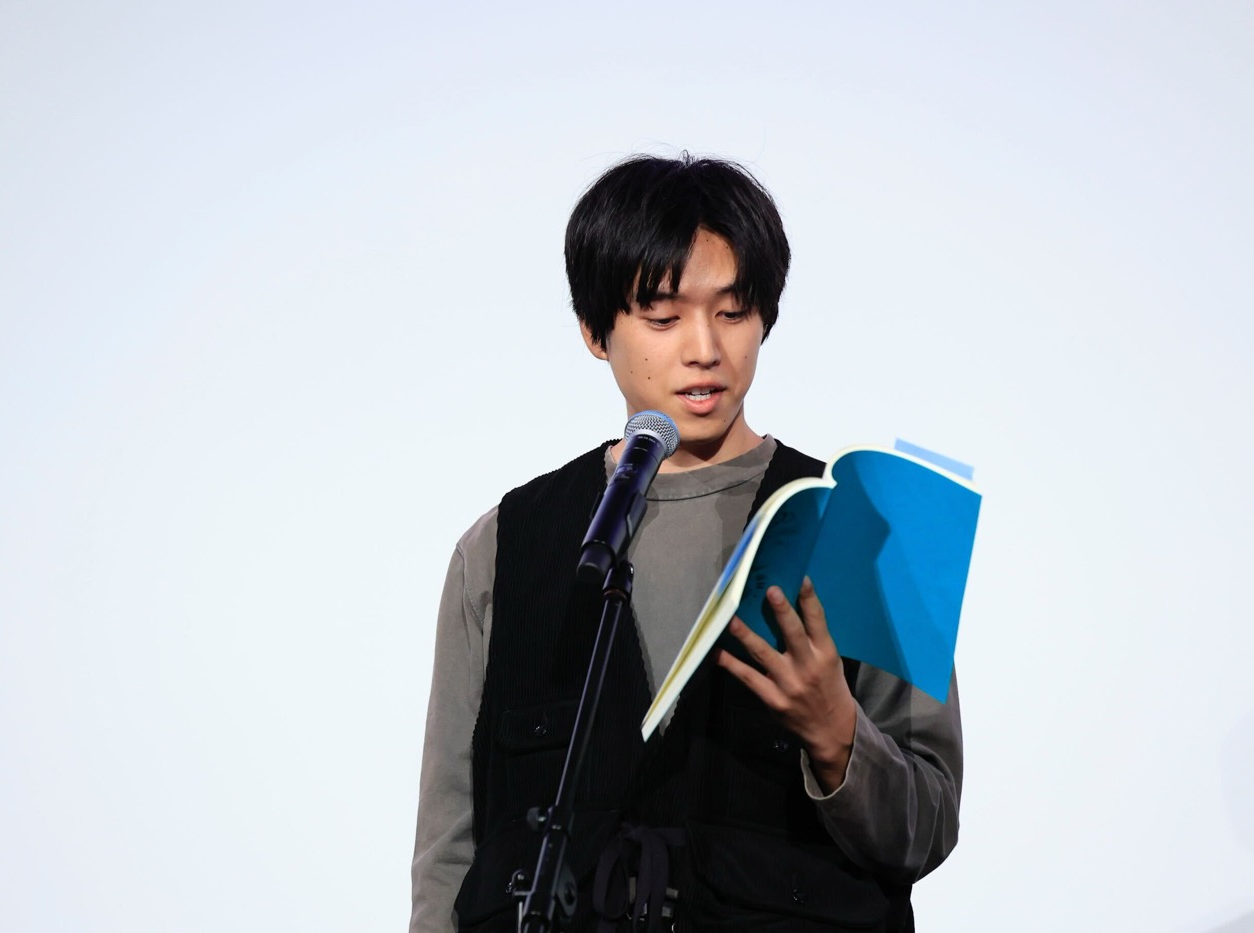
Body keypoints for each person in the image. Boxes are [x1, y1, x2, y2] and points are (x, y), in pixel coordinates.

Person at [410, 154, 963, 932]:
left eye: (733, 312)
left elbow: (931, 824)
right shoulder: (499, 548)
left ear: (766, 316)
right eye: (663, 318)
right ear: (595, 331)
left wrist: (838, 734)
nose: (704, 348)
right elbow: (448, 851)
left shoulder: (873, 531)